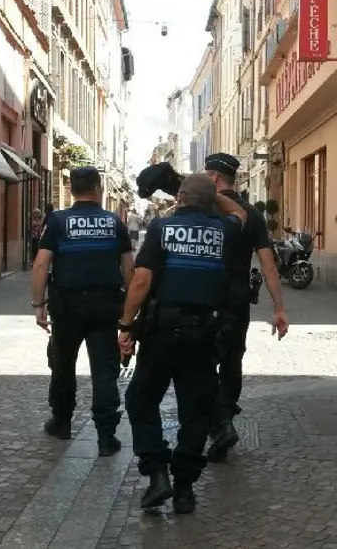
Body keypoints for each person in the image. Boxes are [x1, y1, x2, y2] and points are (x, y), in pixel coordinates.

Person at [119, 173, 248, 515]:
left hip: (162, 334)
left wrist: (126, 324)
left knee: (140, 399)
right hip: (204, 335)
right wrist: (212, 196)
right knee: (198, 410)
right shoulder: (225, 230)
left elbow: (142, 280)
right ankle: (185, 488)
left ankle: (157, 472)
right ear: (209, 201)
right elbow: (239, 212)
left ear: (179, 198)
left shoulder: (162, 228)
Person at [31, 167, 134, 456]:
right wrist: (131, 311)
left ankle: (62, 422)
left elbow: (41, 264)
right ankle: (106, 436)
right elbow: (129, 269)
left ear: (72, 190)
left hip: (67, 307)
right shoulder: (114, 223)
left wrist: (38, 305)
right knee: (105, 371)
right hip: (105, 307)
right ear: (98, 189)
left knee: (63, 365)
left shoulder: (58, 221)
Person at [202, 153, 289, 462]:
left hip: (205, 297)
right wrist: (279, 308)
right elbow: (268, 265)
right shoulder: (252, 214)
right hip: (237, 298)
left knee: (202, 362)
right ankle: (225, 418)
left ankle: (218, 422)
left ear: (213, 178)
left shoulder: (204, 208)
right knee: (232, 360)